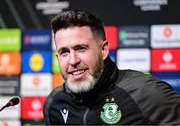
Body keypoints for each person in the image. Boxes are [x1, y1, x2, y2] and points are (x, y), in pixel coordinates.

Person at [43, 10, 180, 125]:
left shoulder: (148, 94)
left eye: (81, 49)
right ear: (57, 58)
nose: (73, 61)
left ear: (103, 50)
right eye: (64, 52)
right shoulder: (54, 103)